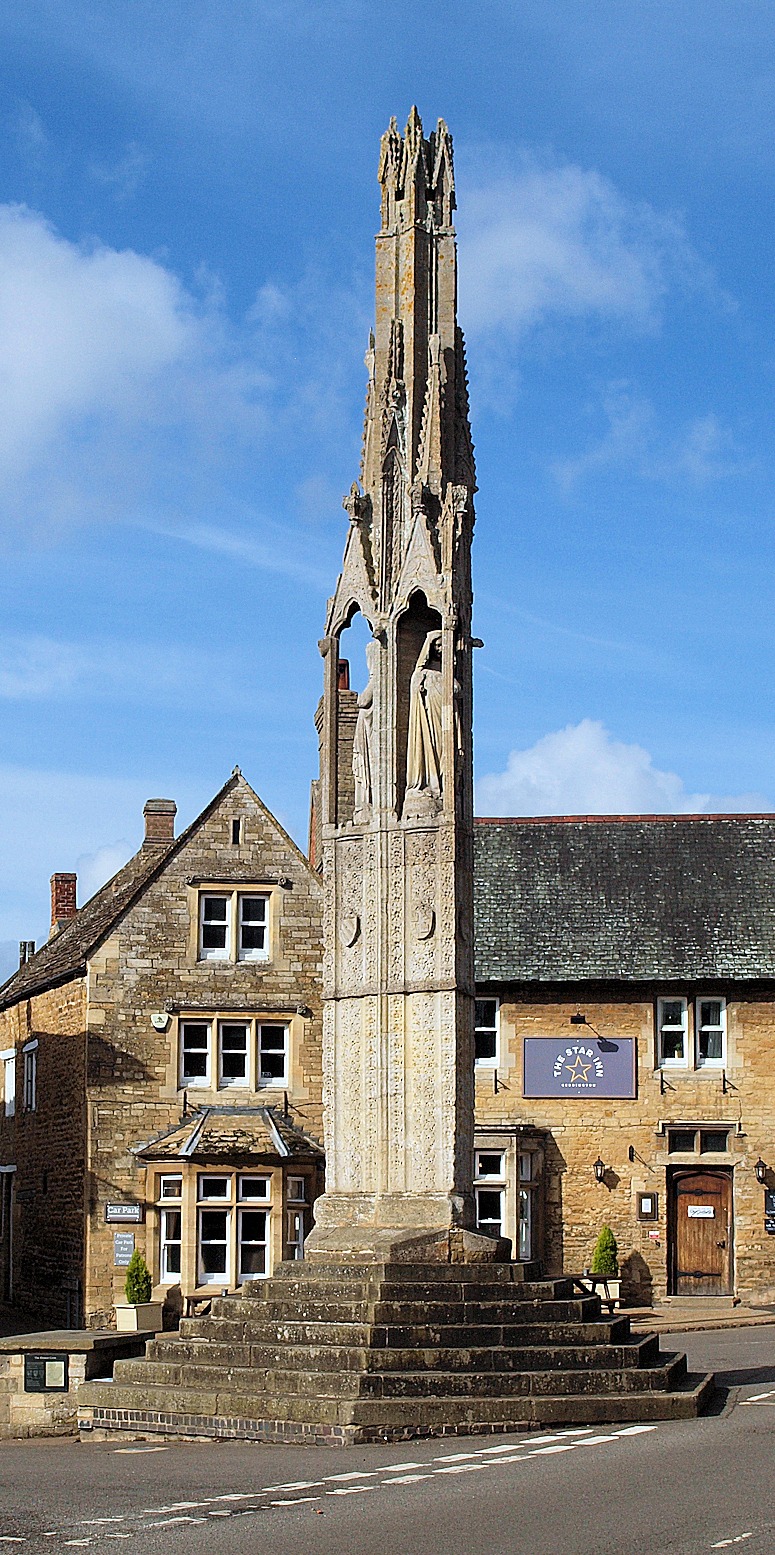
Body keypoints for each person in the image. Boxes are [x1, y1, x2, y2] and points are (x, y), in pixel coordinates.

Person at [405, 630, 443, 803]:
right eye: (438, 645)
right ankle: (428, 783)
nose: (441, 648)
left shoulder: (448, 670)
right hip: (429, 717)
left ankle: (442, 787)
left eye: (443, 644)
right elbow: (415, 687)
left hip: (444, 718)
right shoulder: (423, 672)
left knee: (442, 751)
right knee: (429, 748)